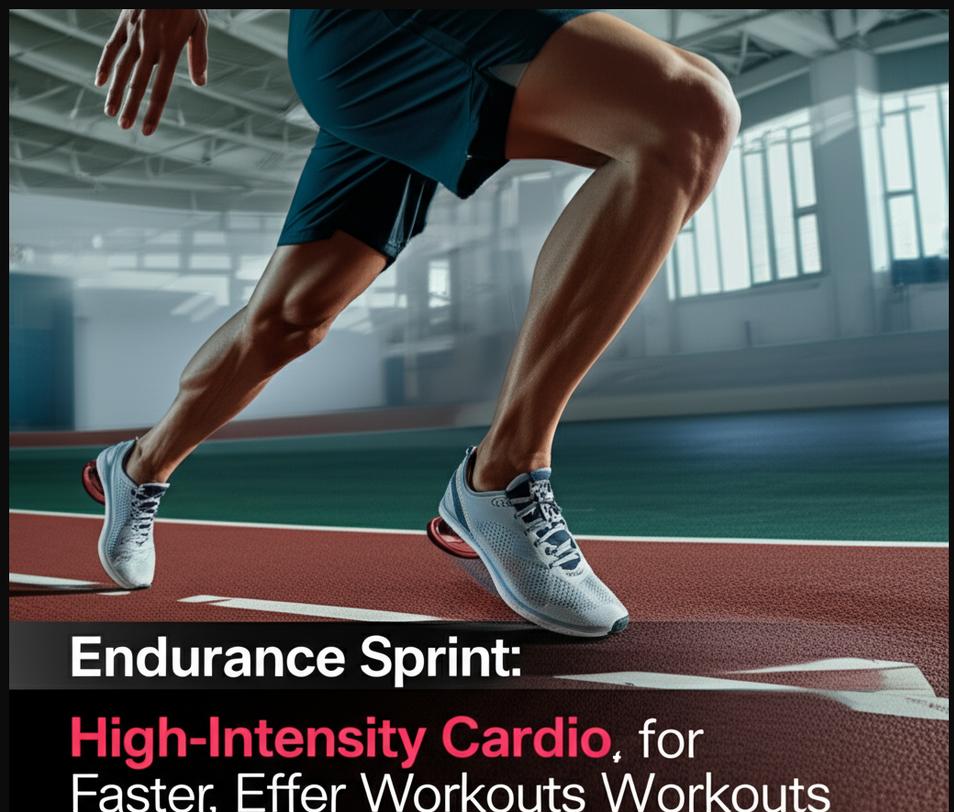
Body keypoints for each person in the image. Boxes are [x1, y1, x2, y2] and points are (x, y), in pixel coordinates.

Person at [90, 9, 740, 637]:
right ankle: (501, 476)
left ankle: (139, 467)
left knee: (291, 319)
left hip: (395, 49)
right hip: (381, 22)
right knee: (686, 113)